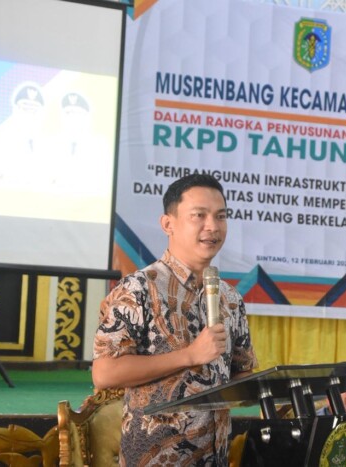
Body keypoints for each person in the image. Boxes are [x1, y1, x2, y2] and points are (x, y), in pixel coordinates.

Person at [92, 173, 258, 466]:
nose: (212, 226)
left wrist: (286, 386)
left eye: (221, 216)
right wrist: (189, 356)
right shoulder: (138, 289)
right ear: (168, 224)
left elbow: (240, 374)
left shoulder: (230, 298)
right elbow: (105, 373)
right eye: (199, 215)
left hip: (216, 457)